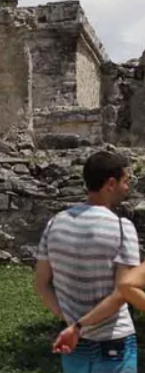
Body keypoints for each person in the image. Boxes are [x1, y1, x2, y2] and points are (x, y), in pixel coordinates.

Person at [34, 150, 140, 373]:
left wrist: (71, 322)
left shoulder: (55, 223)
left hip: (74, 343)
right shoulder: (122, 228)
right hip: (114, 341)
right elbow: (123, 292)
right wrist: (81, 325)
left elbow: (41, 284)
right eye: (126, 181)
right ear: (110, 183)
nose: (127, 187)